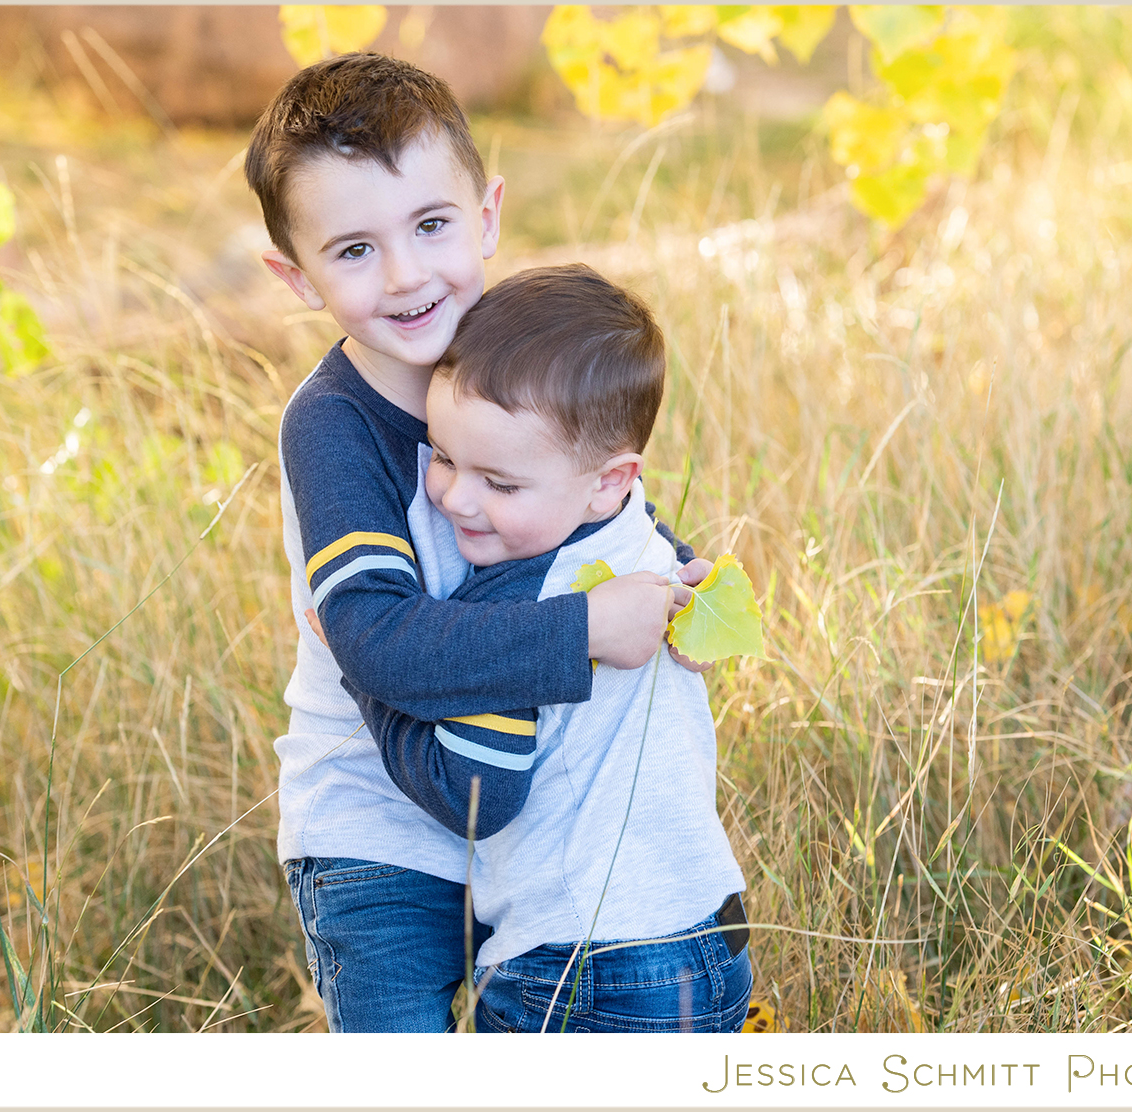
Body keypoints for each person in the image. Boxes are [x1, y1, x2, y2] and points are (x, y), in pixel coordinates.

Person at [244, 53, 709, 1032]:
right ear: (296, 274)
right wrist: (582, 625)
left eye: (431, 226)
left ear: (486, 215)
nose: (408, 275)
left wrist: (673, 580)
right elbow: (375, 639)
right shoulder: (332, 424)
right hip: (377, 829)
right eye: (354, 250)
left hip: (522, 823)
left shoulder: (516, 356)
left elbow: (596, 509)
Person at [345, 264, 751, 1034]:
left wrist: (362, 678)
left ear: (607, 481)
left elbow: (478, 793)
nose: (458, 497)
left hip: (584, 964)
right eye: (446, 459)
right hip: (713, 936)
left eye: (499, 482)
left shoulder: (516, 606)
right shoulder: (650, 547)